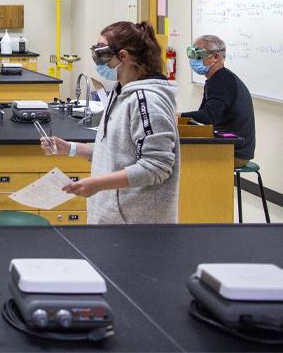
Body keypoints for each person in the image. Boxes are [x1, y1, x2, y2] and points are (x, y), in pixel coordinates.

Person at [40, 21, 180, 224]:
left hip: (137, 225)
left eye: (101, 53)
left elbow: (156, 167)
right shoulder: (120, 92)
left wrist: (97, 184)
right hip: (113, 219)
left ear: (123, 56)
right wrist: (70, 148)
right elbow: (116, 154)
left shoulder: (148, 100)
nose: (98, 61)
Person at [181, 35, 255, 168]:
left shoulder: (221, 81)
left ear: (215, 57)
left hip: (234, 151)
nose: (193, 59)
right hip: (231, 146)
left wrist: (179, 116)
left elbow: (208, 117)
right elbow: (203, 114)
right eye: (191, 54)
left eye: (198, 55)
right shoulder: (216, 79)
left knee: (181, 156)